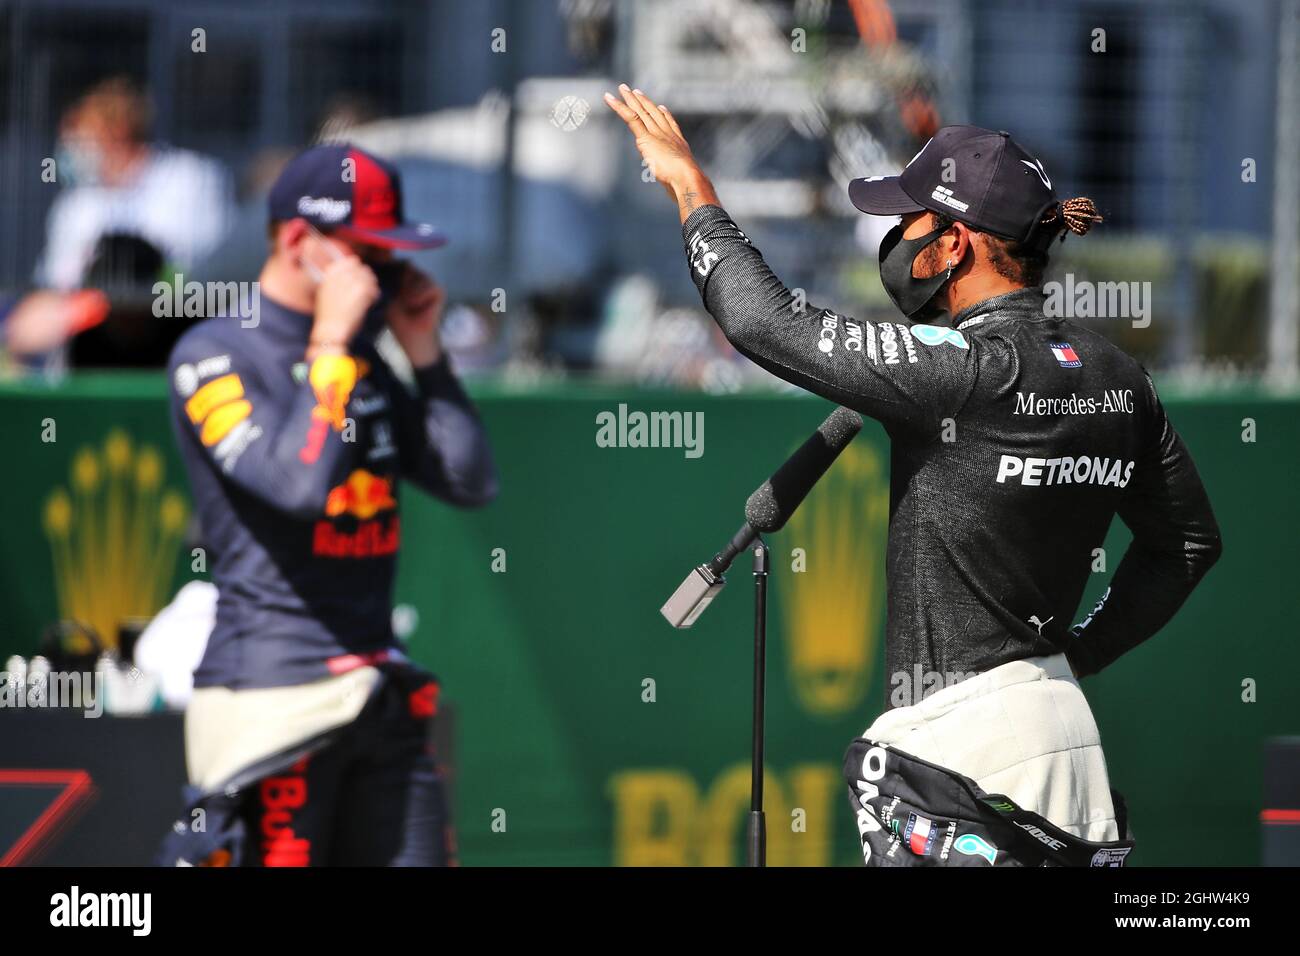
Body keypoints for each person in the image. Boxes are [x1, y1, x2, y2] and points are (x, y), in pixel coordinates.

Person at [605, 85, 1222, 866]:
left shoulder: (963, 369)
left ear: (956, 243)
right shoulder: (1116, 375)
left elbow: (762, 322)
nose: (894, 238)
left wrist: (691, 189)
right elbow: (1189, 544)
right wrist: (1074, 660)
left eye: (909, 220)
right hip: (1066, 740)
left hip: (962, 748)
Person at [158, 143, 498, 867]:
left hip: (378, 691)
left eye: (389, 259)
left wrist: (425, 351)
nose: (380, 277)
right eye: (364, 256)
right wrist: (330, 345)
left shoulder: (367, 358)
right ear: (295, 241)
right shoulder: (212, 354)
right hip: (272, 701)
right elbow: (298, 489)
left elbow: (469, 480)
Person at [6, 77, 232, 363]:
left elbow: (197, 283)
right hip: (87, 345)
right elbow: (54, 289)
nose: (69, 146)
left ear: (117, 130)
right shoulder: (74, 205)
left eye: (79, 134)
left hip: (173, 341)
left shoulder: (192, 180)